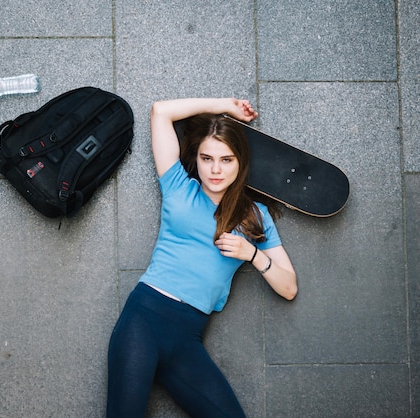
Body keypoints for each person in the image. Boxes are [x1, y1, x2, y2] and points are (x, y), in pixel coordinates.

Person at [107, 98, 298, 417]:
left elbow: (289, 287)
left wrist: (252, 254)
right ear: (195, 158)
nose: (215, 169)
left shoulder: (254, 217)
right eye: (207, 158)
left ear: (240, 163)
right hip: (144, 320)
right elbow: (160, 111)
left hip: (187, 339)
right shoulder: (179, 186)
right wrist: (227, 107)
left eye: (226, 159)